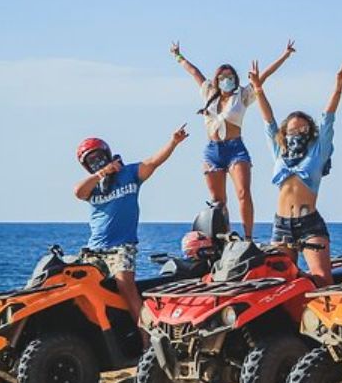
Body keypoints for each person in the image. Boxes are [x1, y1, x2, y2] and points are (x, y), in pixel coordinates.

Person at [170, 41, 296, 240]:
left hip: (235, 149)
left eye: (230, 77)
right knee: (218, 201)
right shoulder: (209, 93)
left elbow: (263, 78)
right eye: (222, 77)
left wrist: (285, 55)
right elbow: (194, 72)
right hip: (213, 151)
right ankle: (225, 237)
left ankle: (248, 237)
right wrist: (178, 56)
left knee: (243, 193)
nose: (226, 80)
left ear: (235, 79)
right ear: (217, 80)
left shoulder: (242, 96)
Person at [73, 126, 189, 336]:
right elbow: (78, 192)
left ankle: (147, 339)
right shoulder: (94, 185)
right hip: (95, 250)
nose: (96, 161)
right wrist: (102, 173)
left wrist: (173, 142)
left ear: (107, 153)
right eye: (91, 160)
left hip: (121, 247)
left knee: (125, 285)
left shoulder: (129, 174)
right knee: (78, 286)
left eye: (99, 157)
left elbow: (153, 162)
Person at [252, 50, 342, 287]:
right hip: (281, 225)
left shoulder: (317, 151)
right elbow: (268, 122)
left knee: (323, 279)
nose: (297, 134)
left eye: (303, 130)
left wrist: (338, 88)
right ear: (285, 133)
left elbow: (328, 119)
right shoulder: (279, 151)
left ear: (311, 132)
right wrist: (258, 89)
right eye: (293, 130)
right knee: (279, 283)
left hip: (309, 224)